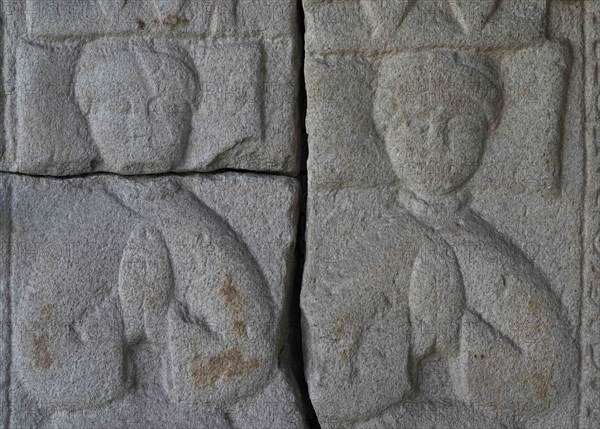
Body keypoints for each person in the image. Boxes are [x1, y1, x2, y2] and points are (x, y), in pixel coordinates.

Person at [14, 39, 276, 424]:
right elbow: (36, 352)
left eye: (162, 108)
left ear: (189, 119)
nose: (140, 125)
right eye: (120, 107)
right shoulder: (84, 230)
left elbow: (252, 344)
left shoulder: (195, 228)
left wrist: (164, 327)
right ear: (89, 116)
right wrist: (121, 321)